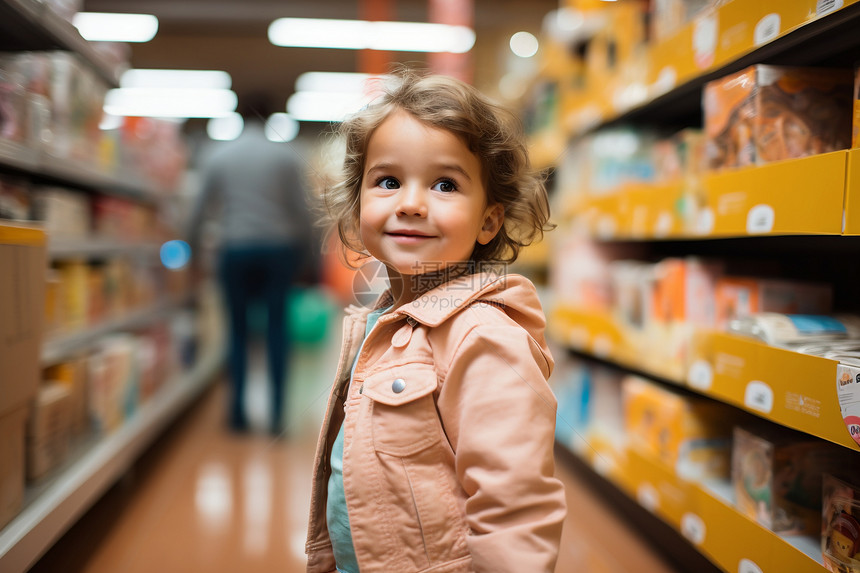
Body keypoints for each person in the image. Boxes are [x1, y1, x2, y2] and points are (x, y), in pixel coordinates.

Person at [305, 69, 566, 573]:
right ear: (359, 203)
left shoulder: (483, 337)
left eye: (445, 184)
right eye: (388, 181)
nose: (410, 203)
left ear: (489, 220)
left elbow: (514, 511)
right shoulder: (383, 320)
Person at [188, 93, 314, 435]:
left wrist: (191, 250)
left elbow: (199, 211)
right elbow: (303, 211)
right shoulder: (287, 156)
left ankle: (238, 415)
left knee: (238, 331)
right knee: (277, 330)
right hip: (279, 251)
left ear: (238, 114)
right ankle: (276, 416)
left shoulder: (220, 154)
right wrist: (309, 257)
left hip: (235, 249)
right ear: (272, 114)